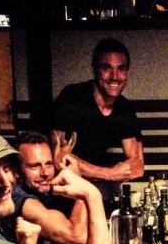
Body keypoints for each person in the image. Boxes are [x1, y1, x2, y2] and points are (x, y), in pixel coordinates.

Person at [50, 37, 144, 204]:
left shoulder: (125, 108)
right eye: (106, 68)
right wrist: (108, 174)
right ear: (94, 70)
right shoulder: (72, 98)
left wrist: (102, 175)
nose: (114, 76)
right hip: (62, 190)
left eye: (121, 68)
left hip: (96, 191)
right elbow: (59, 158)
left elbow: (138, 166)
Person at [15, 130, 87, 244]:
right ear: (17, 171)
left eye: (49, 164)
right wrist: (80, 189)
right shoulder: (17, 197)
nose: (45, 173)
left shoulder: (46, 192)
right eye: (35, 166)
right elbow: (79, 238)